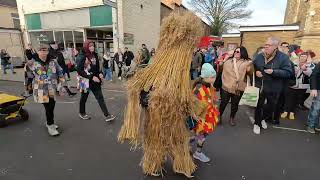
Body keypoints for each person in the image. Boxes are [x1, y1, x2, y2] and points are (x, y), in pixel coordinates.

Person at [253, 37, 293, 135]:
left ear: (275, 46)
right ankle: (257, 123)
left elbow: (288, 72)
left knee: (271, 107)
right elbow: (252, 66)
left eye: (268, 45)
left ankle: (262, 119)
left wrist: (274, 72)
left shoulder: (283, 57)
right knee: (259, 106)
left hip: (274, 87)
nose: (265, 46)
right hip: (260, 85)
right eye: (265, 44)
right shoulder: (259, 56)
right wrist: (256, 71)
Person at [29, 43, 67, 136]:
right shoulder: (33, 63)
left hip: (52, 88)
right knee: (48, 107)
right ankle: (50, 125)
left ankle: (50, 122)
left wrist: (62, 84)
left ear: (47, 51)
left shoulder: (53, 61)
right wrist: (28, 87)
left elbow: (60, 72)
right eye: (41, 50)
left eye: (45, 50)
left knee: (52, 106)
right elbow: (28, 76)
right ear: (37, 51)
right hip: (40, 90)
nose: (43, 52)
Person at [77, 40, 116, 122]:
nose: (92, 47)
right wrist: (91, 77)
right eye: (90, 46)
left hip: (95, 80)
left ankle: (107, 115)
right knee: (83, 98)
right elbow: (79, 71)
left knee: (100, 97)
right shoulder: (82, 56)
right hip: (85, 81)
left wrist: (100, 73)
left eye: (93, 46)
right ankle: (82, 112)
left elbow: (97, 67)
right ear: (86, 47)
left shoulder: (94, 55)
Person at [190, 63, 219, 163]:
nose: (214, 79)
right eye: (212, 77)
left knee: (200, 134)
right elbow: (193, 104)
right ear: (207, 77)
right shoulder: (199, 89)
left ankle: (191, 143)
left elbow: (210, 99)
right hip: (201, 118)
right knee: (201, 135)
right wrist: (195, 115)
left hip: (207, 116)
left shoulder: (208, 85)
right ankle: (197, 152)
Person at [219, 46, 253, 126]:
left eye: (238, 52)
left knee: (235, 105)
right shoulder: (228, 61)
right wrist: (221, 63)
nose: (235, 53)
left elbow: (250, 73)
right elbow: (221, 70)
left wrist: (250, 68)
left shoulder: (246, 62)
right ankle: (219, 116)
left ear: (243, 53)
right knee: (223, 103)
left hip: (238, 88)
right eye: (235, 51)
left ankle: (232, 118)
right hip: (226, 86)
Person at [281, 52, 314, 120]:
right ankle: (285, 111)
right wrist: (296, 69)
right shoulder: (294, 63)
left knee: (297, 100)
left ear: (307, 58)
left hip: (303, 86)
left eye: (305, 56)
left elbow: (310, 74)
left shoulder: (311, 65)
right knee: (288, 98)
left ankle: (292, 113)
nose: (302, 58)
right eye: (301, 56)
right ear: (299, 57)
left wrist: (305, 68)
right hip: (292, 84)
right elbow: (289, 71)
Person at [306, 62, 320, 134]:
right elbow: (314, 75)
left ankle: (318, 125)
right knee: (316, 108)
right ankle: (310, 125)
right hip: (319, 90)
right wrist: (313, 88)